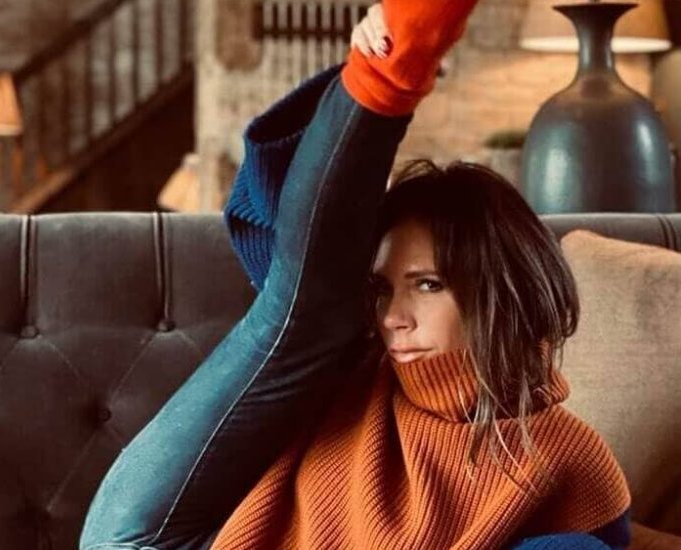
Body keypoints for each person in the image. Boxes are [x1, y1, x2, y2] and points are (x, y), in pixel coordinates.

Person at [79, 1, 632, 548]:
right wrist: (379, 47)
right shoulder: (350, 363)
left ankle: (393, 64)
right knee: (308, 314)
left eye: (427, 284)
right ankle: (392, 62)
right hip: (147, 539)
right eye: (383, 290)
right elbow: (305, 244)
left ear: (501, 289)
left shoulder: (568, 455)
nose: (393, 318)